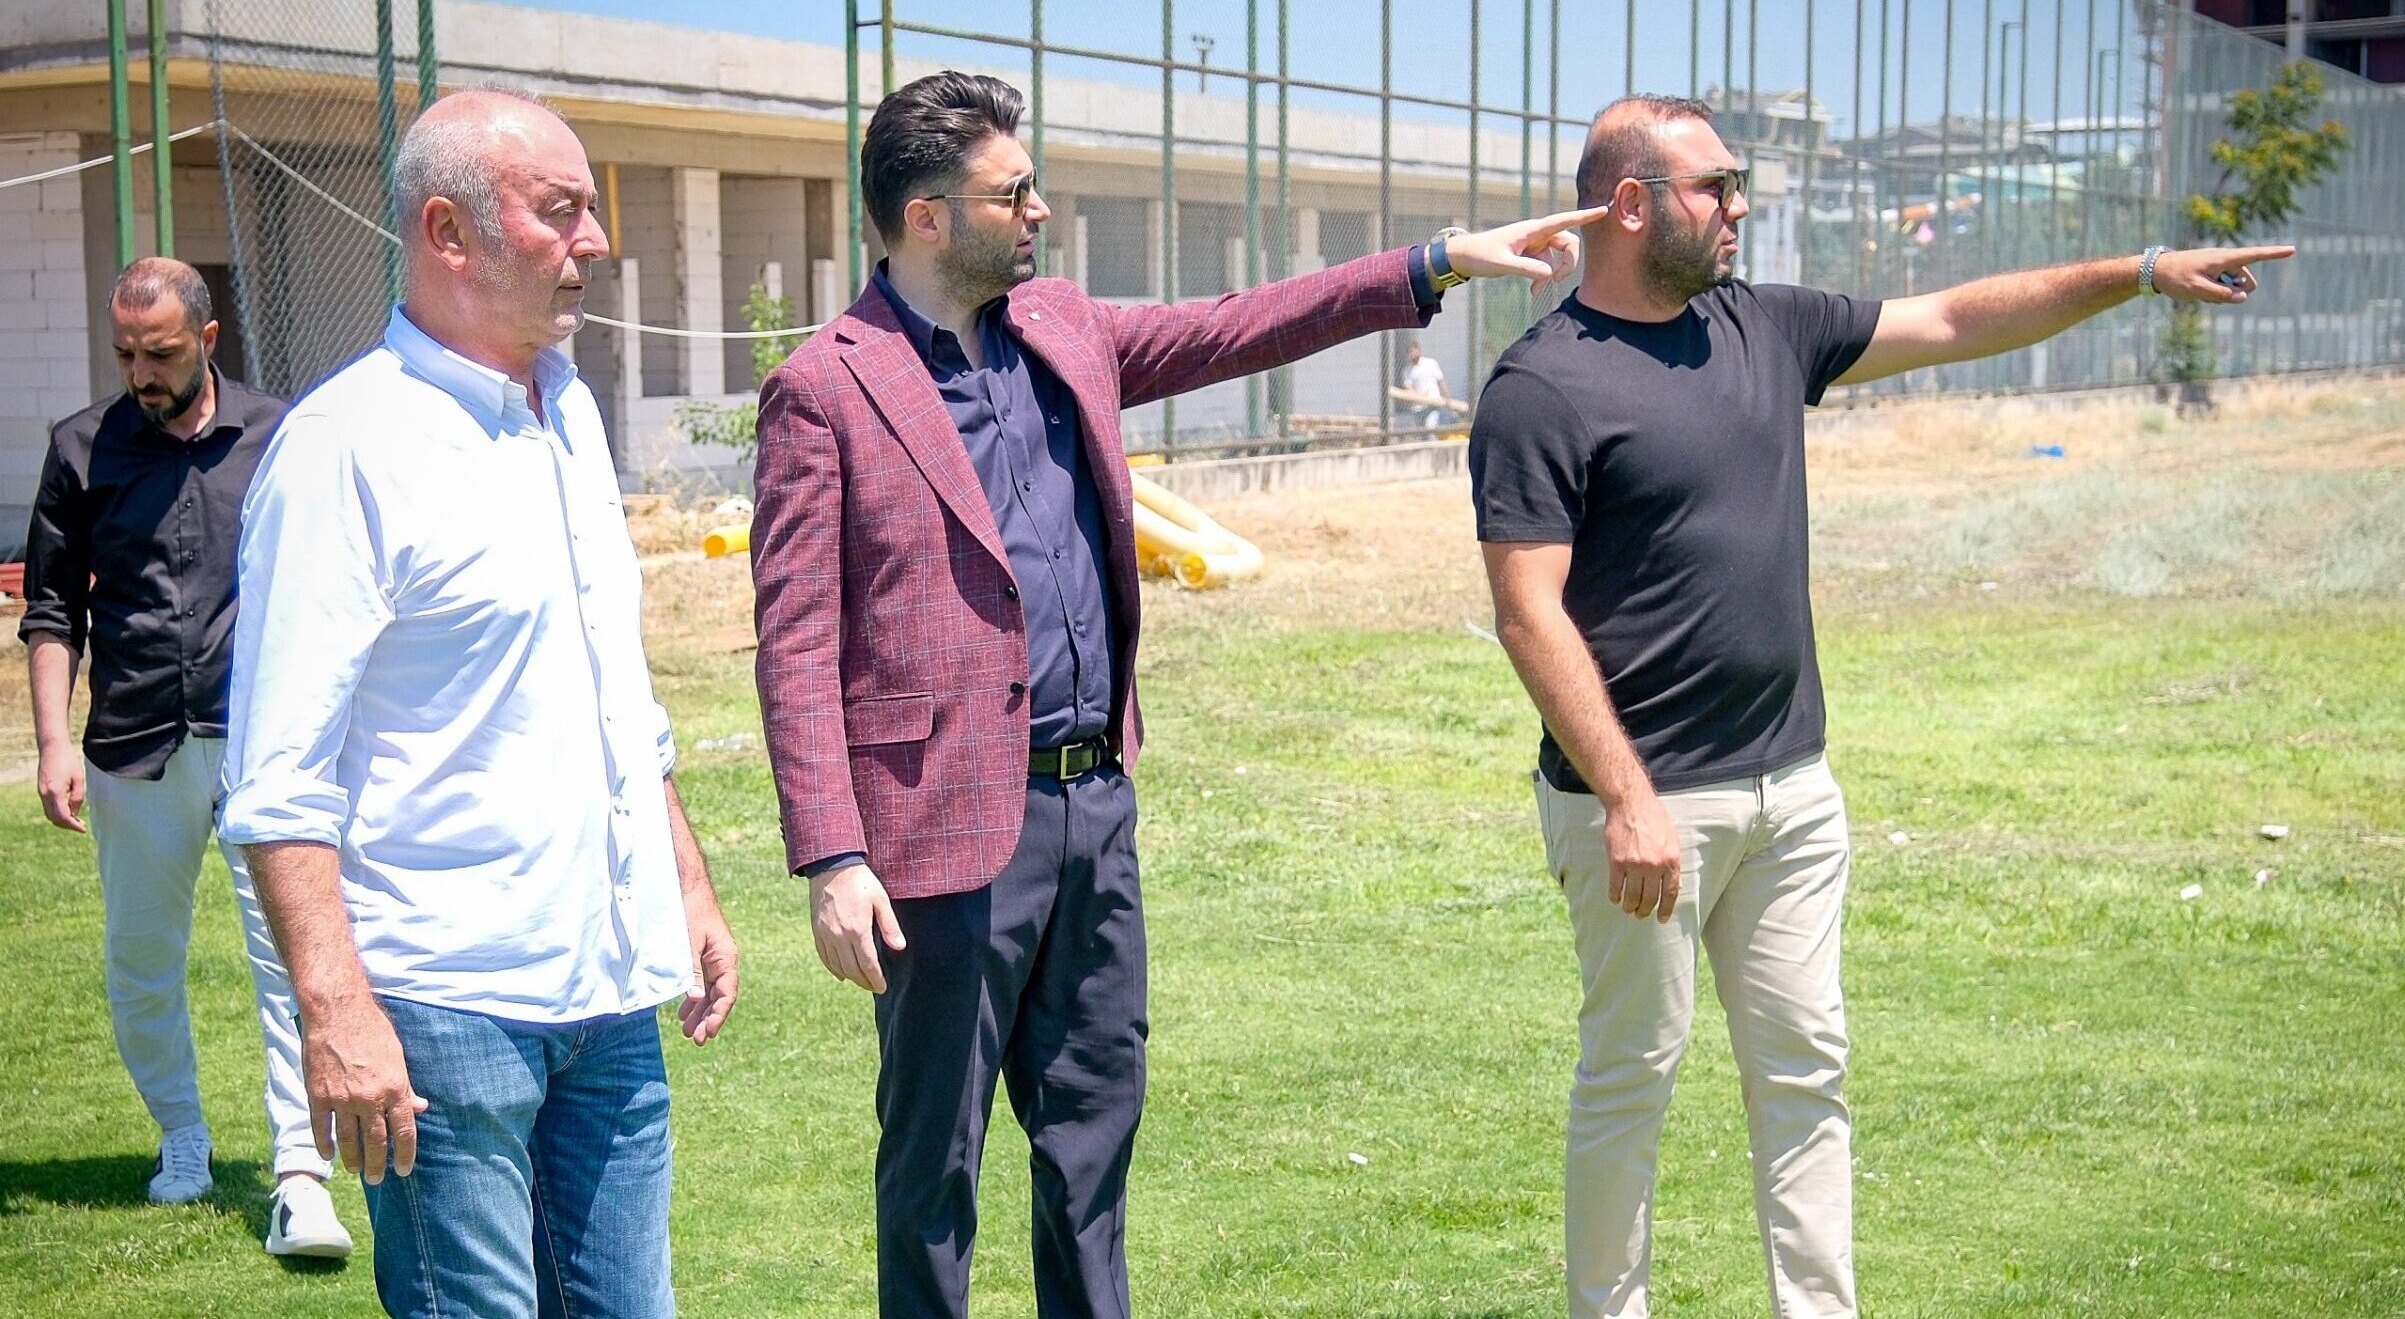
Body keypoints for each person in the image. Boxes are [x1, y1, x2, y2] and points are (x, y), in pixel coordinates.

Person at [750, 68, 1600, 1319]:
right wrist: (833, 855)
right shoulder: (827, 387)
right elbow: (794, 643)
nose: (1039, 210)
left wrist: (1430, 265)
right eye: (1012, 192)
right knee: (932, 1167)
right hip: (939, 836)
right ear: (926, 216)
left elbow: (1238, 324)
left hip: (1093, 809)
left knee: (1091, 1144)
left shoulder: (1062, 327)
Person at [1468, 92, 2291, 1319]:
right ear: (1631, 205)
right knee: (1631, 1080)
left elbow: (1955, 316)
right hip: (1641, 810)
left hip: (1791, 791)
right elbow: (1528, 612)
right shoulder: (1543, 386)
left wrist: (2137, 273)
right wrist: (1628, 800)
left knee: (1807, 1076)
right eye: (1717, 186)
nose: (1741, 206)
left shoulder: (1763, 327)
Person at [220, 88, 739, 1319]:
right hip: (443, 1009)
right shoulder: (343, 447)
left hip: (609, 991)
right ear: (448, 232)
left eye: (591, 210)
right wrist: (337, 1012)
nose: (594, 241)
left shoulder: (569, 409)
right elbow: (276, 779)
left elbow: (613, 685)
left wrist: (685, 883)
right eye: (561, 211)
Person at [18, 256, 352, 1258]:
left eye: (159, 353)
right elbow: (51, 609)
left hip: (264, 748)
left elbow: (329, 583)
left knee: (291, 957)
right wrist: (51, 741)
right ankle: (182, 1134)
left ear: (207, 340)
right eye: (125, 353)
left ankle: (300, 1174)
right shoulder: (81, 448)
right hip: (131, 747)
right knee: (140, 962)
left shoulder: (281, 435)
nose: (140, 373)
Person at [1398, 338, 1457, 430]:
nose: (1411, 354)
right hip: (1418, 408)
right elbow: (1409, 388)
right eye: (1409, 352)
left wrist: (1447, 397)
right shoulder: (1407, 370)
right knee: (1421, 431)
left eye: (1412, 351)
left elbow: (1440, 381)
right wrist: (1420, 397)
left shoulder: (1431, 363)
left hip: (1433, 405)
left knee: (1430, 427)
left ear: (1419, 350)